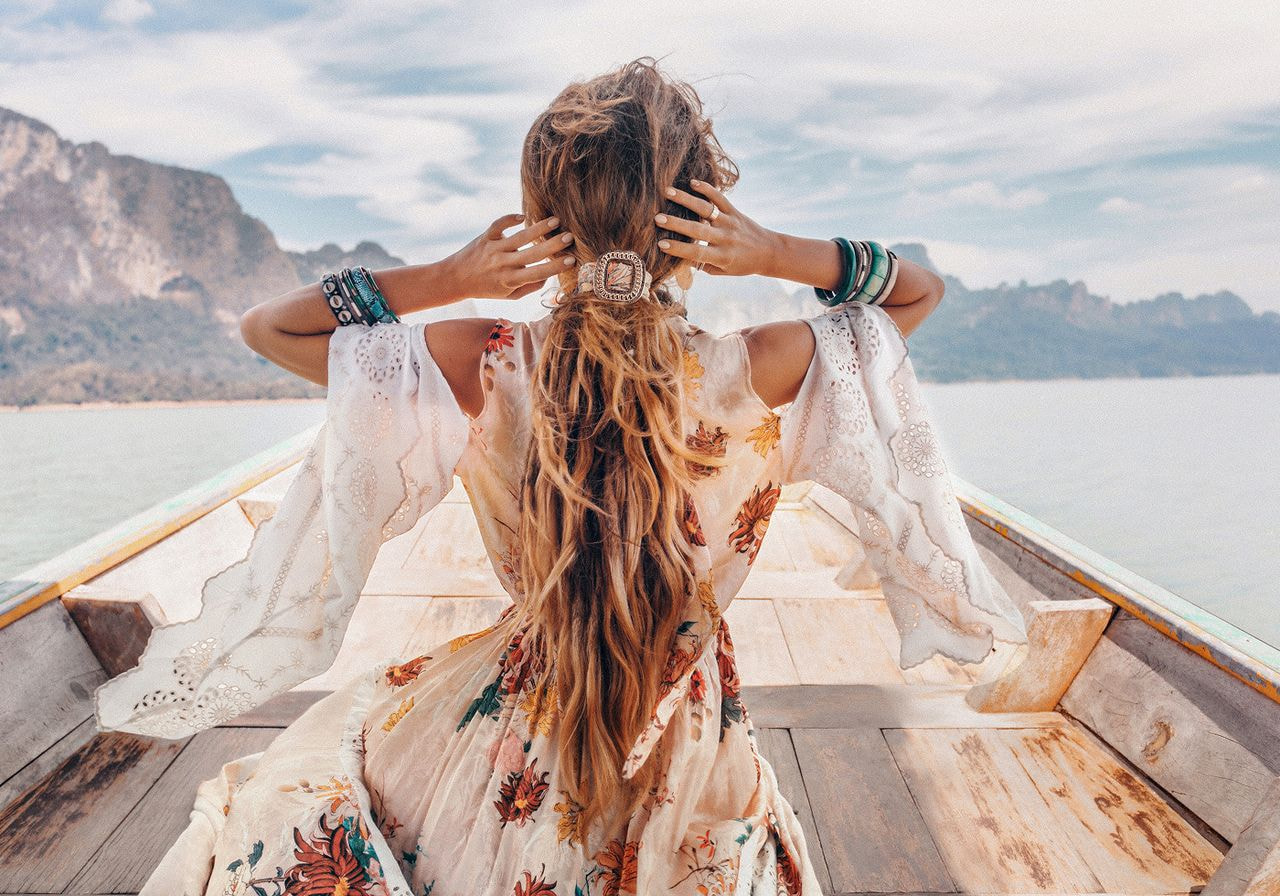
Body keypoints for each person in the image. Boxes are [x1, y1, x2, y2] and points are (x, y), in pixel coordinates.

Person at [94, 57, 1027, 895]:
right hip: (690, 731)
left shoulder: (487, 358)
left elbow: (270, 328)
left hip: (524, 720)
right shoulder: (761, 370)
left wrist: (452, 274)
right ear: (701, 219)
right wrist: (778, 252)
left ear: (547, 220)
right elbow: (917, 293)